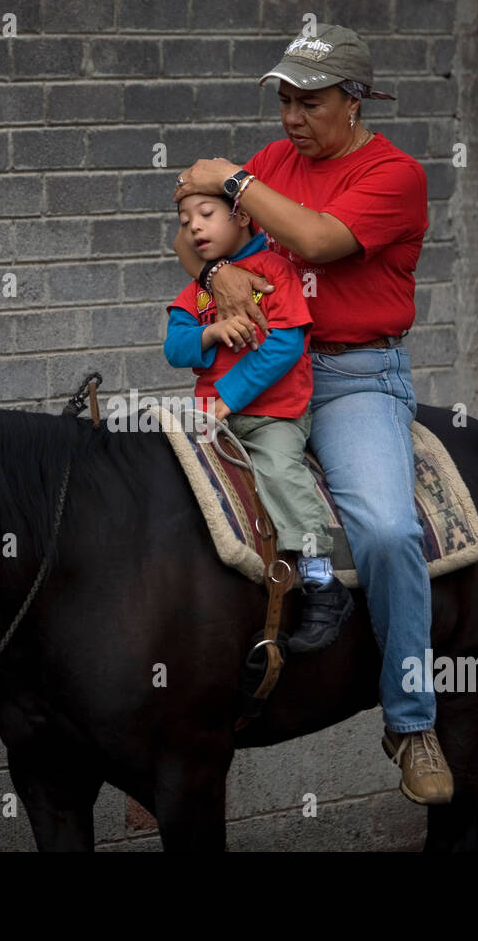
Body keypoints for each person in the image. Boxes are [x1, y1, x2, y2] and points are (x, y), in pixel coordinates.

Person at [170, 24, 454, 805]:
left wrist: (230, 177)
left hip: (351, 377)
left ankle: (411, 719)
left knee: (389, 529)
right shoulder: (270, 165)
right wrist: (221, 267)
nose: (293, 118)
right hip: (260, 362)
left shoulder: (396, 174)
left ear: (355, 100)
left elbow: (321, 240)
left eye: (312, 101)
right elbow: (191, 227)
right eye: (286, 100)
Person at [165, 190, 354, 648]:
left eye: (206, 215)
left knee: (280, 474)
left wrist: (228, 397)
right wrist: (209, 331)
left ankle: (321, 580)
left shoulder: (274, 273)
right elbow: (174, 348)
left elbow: (285, 347)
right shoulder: (199, 290)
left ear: (243, 217)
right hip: (212, 417)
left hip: (272, 416)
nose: (194, 227)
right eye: (186, 219)